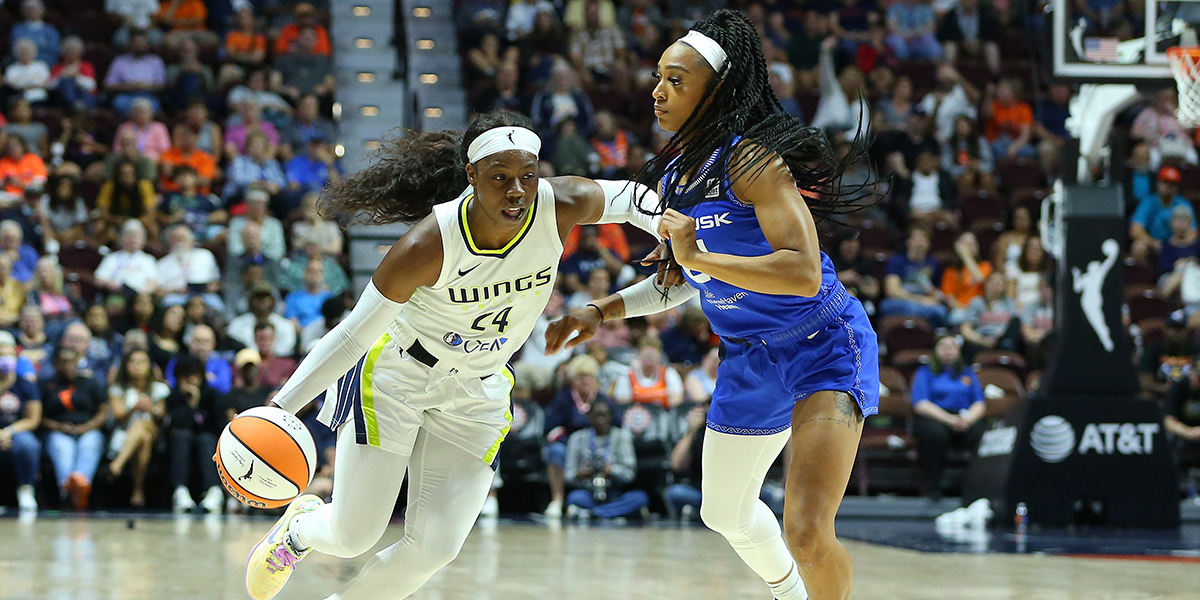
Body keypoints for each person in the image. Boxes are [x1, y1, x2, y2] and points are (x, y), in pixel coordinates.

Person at [241, 109, 665, 600]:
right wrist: (279, 407)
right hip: (398, 377)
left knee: (436, 547)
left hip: (479, 386)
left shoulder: (559, 202)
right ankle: (297, 533)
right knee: (353, 534)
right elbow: (351, 337)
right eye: (500, 178)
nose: (517, 191)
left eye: (527, 176)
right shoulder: (428, 243)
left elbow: (637, 199)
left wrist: (671, 235)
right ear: (472, 176)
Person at [544, 12, 879, 600]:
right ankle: (789, 593)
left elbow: (801, 272)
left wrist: (700, 255)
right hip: (747, 358)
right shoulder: (676, 177)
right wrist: (599, 312)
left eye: (676, 80)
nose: (657, 90)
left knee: (805, 531)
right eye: (658, 77)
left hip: (820, 343)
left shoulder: (752, 162)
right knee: (722, 513)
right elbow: (683, 279)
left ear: (715, 92)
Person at [910, 335, 986, 499]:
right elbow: (921, 404)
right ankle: (933, 487)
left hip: (963, 418)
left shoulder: (967, 373)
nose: (948, 350)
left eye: (952, 346)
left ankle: (978, 489)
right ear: (935, 350)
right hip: (934, 417)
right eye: (943, 346)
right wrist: (950, 420)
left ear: (958, 351)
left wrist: (967, 419)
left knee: (982, 435)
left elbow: (979, 403)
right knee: (936, 435)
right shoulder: (925, 372)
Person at [39, 346, 108, 510]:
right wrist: (58, 426)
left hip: (87, 429)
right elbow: (37, 416)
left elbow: (103, 412)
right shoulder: (46, 385)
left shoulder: (90, 383)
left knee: (90, 444)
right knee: (62, 447)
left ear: (78, 362)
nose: (68, 366)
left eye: (71, 362)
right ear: (55, 364)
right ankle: (74, 492)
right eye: (63, 362)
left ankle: (74, 488)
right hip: (58, 431)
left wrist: (85, 427)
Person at [563, 400, 648, 519]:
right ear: (589, 417)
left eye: (604, 415)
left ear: (610, 417)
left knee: (640, 498)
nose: (600, 420)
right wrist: (580, 473)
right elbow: (568, 474)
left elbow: (630, 473)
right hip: (589, 491)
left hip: (615, 492)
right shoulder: (577, 438)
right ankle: (614, 513)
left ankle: (592, 514)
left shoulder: (622, 437)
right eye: (596, 416)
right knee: (574, 498)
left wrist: (612, 470)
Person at [106, 348, 169, 507]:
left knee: (143, 425)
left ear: (149, 366)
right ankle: (137, 491)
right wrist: (134, 408)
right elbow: (118, 417)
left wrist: (151, 408)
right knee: (143, 437)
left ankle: (117, 464)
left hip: (155, 433)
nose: (137, 366)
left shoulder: (158, 389)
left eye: (142, 362)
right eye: (132, 362)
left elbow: (162, 418)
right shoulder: (117, 389)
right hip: (124, 434)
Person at [165, 354, 225, 513]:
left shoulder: (212, 395)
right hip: (182, 442)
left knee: (205, 439)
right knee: (182, 436)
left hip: (208, 441)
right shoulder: (173, 397)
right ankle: (180, 491)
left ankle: (214, 490)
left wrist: (197, 404)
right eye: (185, 376)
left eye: (193, 375)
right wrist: (191, 406)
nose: (190, 380)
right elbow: (177, 426)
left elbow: (215, 426)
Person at [0, 330, 42, 511]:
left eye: (6, 354)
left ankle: (26, 488)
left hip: (16, 432)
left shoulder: (26, 383)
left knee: (27, 444)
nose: (3, 358)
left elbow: (33, 419)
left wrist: (7, 432)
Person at [880, 226, 947, 325]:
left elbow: (937, 291)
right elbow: (892, 291)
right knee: (906, 307)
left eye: (923, 240)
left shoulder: (933, 264)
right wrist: (920, 300)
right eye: (916, 239)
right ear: (908, 242)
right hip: (902, 301)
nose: (920, 243)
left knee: (941, 311)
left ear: (928, 244)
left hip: (925, 303)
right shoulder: (897, 261)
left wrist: (934, 296)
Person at [1130, 166, 1195, 258]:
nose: (1168, 186)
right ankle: (1143, 272)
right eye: (1165, 182)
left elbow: (1193, 232)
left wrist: (1179, 244)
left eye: (1172, 183)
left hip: (1176, 245)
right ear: (1158, 183)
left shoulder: (1183, 203)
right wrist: (1154, 243)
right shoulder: (1148, 202)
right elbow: (1135, 229)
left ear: (1177, 186)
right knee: (1138, 247)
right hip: (1154, 244)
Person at [613, 336, 685, 408]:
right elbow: (622, 402)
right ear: (639, 355)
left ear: (659, 356)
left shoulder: (669, 373)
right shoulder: (627, 375)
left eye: (653, 356)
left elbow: (677, 398)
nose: (649, 359)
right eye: (646, 356)